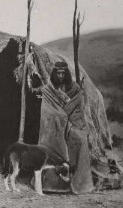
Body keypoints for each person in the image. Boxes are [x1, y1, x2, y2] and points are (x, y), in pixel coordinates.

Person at [38, 61, 94, 194]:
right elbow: (48, 111)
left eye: (63, 73)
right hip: (55, 126)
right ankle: (53, 184)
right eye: (58, 73)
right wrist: (62, 117)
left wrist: (69, 121)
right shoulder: (48, 90)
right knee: (51, 141)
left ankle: (79, 182)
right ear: (54, 74)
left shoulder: (74, 88)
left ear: (67, 74)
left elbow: (78, 109)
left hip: (72, 124)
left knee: (80, 140)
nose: (61, 76)